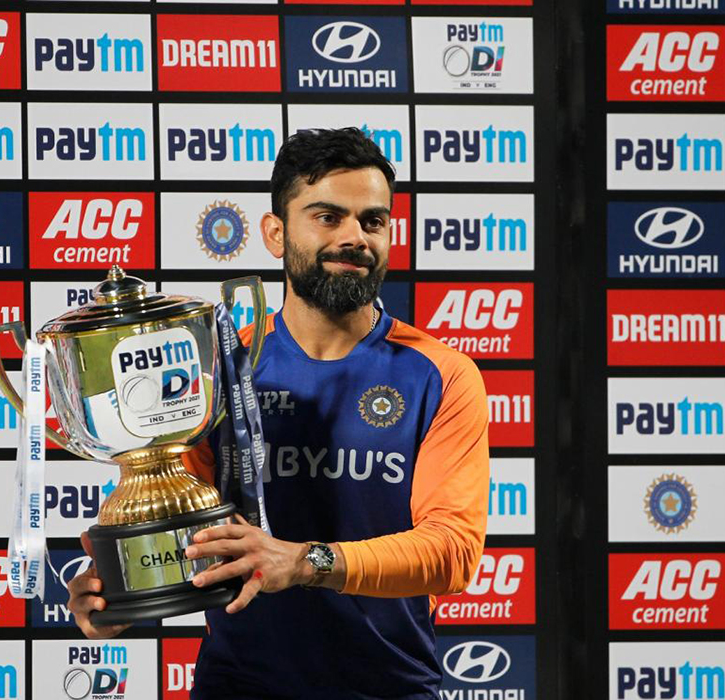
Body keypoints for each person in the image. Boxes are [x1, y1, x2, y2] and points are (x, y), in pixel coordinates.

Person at [68, 127, 490, 700]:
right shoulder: (217, 370)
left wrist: (304, 561)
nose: (354, 237)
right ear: (275, 232)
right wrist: (119, 589)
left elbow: (452, 553)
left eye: (373, 221)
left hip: (390, 687)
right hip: (238, 686)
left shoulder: (441, 374)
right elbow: (185, 525)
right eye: (327, 217)